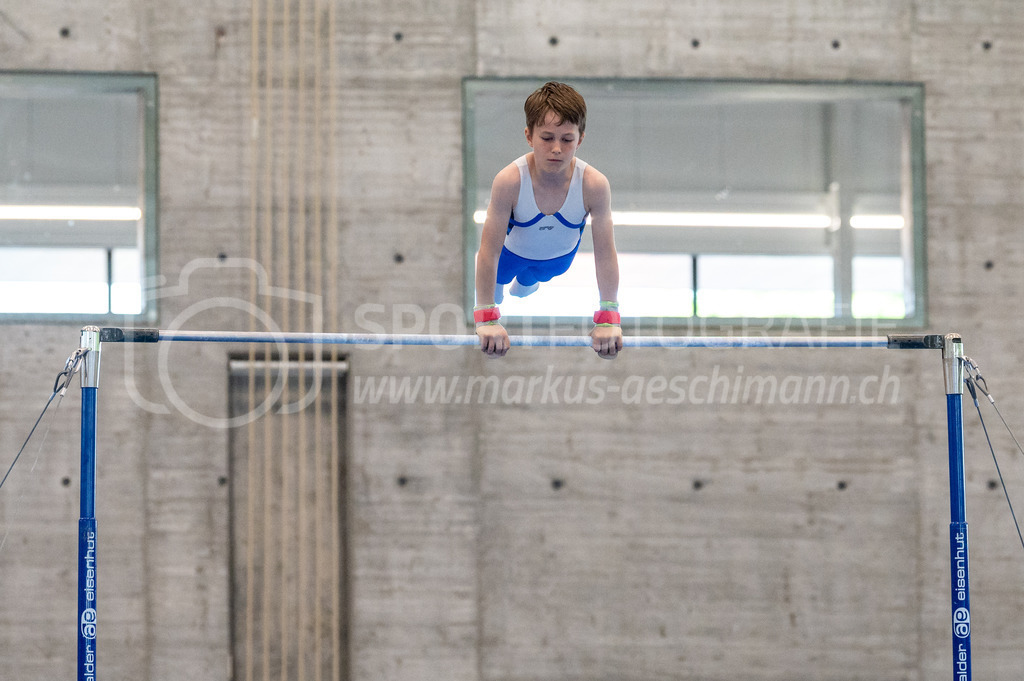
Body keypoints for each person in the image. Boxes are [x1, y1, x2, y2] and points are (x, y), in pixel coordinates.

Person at [474, 81, 623, 360]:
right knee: (499, 281)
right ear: (529, 136)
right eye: (547, 138)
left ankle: (525, 285)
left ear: (580, 139)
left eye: (567, 139)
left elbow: (605, 254)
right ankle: (505, 290)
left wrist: (608, 318)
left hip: (557, 261)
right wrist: (486, 317)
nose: (556, 148)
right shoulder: (509, 181)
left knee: (527, 286)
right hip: (509, 255)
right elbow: (488, 251)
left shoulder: (593, 185)